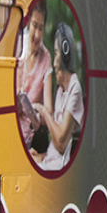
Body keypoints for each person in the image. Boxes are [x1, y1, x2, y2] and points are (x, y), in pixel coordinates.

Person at [36, 24, 85, 171]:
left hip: (62, 168)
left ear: (65, 56)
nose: (54, 63)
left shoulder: (74, 89)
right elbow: (55, 150)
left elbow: (61, 145)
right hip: (50, 162)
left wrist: (45, 112)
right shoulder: (60, 92)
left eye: (56, 54)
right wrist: (40, 156)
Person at [16, 2, 53, 155]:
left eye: (41, 28)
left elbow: (49, 112)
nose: (37, 35)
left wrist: (36, 114)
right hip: (12, 131)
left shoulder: (46, 58)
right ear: (27, 24)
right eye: (34, 26)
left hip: (30, 139)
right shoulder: (18, 47)